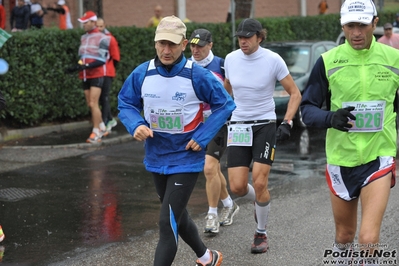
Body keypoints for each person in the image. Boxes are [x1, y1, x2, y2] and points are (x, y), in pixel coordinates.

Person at [118, 15, 235, 266]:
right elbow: (126, 103)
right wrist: (136, 124)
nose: (166, 50)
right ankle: (207, 257)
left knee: (166, 220)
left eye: (172, 44)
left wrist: (202, 137)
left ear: (183, 44)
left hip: (186, 158)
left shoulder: (198, 75)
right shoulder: (142, 73)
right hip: (156, 156)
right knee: (177, 215)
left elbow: (225, 105)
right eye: (161, 43)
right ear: (155, 43)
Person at [300, 0, 399, 265]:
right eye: (350, 25)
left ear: (375, 23)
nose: (356, 32)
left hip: (379, 156)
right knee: (344, 236)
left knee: (368, 239)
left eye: (362, 25)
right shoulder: (328, 61)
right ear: (342, 25)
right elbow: (306, 110)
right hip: (341, 158)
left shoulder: (394, 60)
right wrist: (330, 117)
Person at [223, 18, 301, 254]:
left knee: (259, 180)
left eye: (248, 37)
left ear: (259, 37)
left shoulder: (272, 60)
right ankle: (261, 200)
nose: (243, 42)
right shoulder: (231, 59)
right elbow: (227, 89)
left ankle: (261, 232)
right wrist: (223, 114)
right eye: (240, 37)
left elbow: (294, 93)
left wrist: (287, 121)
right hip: (238, 125)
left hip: (264, 124)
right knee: (236, 187)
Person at [188, 28, 239, 235]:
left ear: (210, 45)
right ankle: (229, 204)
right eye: (192, 45)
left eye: (200, 46)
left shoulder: (222, 64)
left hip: (219, 122)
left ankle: (212, 214)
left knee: (209, 168)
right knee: (214, 170)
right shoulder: (187, 66)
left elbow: (233, 90)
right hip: (197, 125)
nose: (195, 49)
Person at [65, 11, 110, 143]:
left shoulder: (103, 37)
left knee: (93, 103)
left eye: (86, 22)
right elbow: (83, 57)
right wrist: (76, 66)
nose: (83, 24)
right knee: (89, 104)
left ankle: (96, 132)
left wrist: (86, 66)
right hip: (84, 74)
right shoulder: (83, 37)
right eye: (83, 22)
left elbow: (102, 60)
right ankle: (102, 126)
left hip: (96, 74)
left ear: (93, 22)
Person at [96, 17, 120, 132]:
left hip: (107, 72)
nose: (99, 28)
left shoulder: (110, 39)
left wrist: (109, 68)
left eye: (101, 26)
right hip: (97, 72)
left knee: (104, 97)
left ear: (104, 26)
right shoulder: (94, 39)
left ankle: (105, 122)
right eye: (97, 26)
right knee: (100, 98)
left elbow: (115, 57)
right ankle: (110, 119)